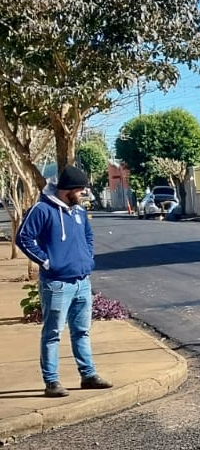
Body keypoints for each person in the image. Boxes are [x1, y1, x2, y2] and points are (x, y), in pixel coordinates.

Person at [15, 166, 113, 398]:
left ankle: (88, 375)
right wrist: (48, 262)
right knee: (53, 333)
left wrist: (88, 257)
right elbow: (23, 237)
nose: (83, 195)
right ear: (67, 190)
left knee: (82, 331)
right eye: (80, 190)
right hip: (57, 284)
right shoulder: (42, 209)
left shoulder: (78, 211)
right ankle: (51, 382)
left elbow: (88, 235)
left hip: (82, 281)